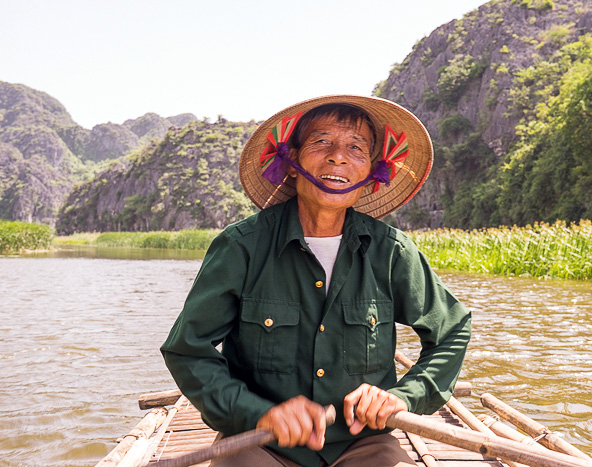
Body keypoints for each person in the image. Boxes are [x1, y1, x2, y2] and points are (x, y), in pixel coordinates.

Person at [160, 95, 471, 467]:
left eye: (356, 148)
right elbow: (188, 349)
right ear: (290, 161)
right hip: (262, 442)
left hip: (361, 444)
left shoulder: (391, 252)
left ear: (372, 171)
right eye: (321, 142)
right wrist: (258, 412)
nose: (338, 156)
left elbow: (452, 330)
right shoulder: (241, 247)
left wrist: (405, 396)